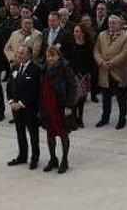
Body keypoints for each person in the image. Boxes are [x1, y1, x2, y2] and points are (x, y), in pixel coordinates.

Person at [39, 45, 78, 174]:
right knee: (50, 134)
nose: (50, 58)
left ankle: (65, 160)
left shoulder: (64, 68)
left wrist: (69, 105)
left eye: (53, 55)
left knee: (63, 134)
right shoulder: (44, 69)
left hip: (61, 106)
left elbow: (72, 87)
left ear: (58, 56)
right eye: (48, 56)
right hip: (47, 106)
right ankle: (53, 159)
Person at [94, 15, 127, 129]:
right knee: (105, 97)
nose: (111, 25)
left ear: (119, 25)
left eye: (114, 23)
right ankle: (105, 118)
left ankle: (122, 119)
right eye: (110, 23)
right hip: (104, 71)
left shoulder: (126, 36)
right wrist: (101, 62)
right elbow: (96, 50)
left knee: (121, 98)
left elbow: (125, 53)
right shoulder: (101, 35)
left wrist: (111, 63)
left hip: (118, 72)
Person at [7, 45, 42, 170]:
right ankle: (22, 155)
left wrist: (21, 103)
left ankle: (34, 158)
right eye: (18, 53)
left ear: (29, 55)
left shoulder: (36, 69)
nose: (19, 55)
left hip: (29, 108)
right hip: (16, 108)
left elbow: (35, 91)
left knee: (33, 134)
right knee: (20, 132)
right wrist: (11, 101)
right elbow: (9, 86)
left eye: (22, 53)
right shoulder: (14, 67)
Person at [62, 23, 95, 128]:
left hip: (84, 75)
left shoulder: (89, 44)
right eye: (74, 31)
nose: (75, 33)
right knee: (74, 97)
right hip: (72, 74)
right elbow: (65, 58)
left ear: (83, 33)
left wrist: (85, 72)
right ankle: (73, 118)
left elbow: (90, 60)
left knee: (82, 98)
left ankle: (80, 117)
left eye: (77, 31)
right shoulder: (70, 43)